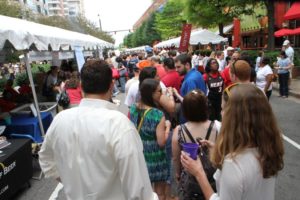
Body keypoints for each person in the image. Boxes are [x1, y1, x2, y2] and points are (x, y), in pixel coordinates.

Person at [39, 59, 157, 200]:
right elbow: (139, 190)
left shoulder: (60, 119)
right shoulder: (119, 125)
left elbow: (46, 160)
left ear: (81, 86)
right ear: (111, 85)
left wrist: (71, 182)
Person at [180, 84, 284, 200]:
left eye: (223, 109)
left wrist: (199, 173)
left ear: (235, 117)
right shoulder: (268, 148)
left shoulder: (233, 164)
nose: (221, 113)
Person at [172, 90, 220, 200]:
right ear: (205, 107)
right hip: (214, 179)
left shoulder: (179, 130)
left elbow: (176, 158)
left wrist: (178, 173)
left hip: (190, 181)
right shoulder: (217, 127)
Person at [129, 78, 171, 200]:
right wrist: (167, 127)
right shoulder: (158, 115)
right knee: (160, 192)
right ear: (151, 94)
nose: (161, 94)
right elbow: (161, 142)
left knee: (145, 193)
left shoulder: (133, 108)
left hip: (140, 156)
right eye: (159, 91)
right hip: (156, 158)